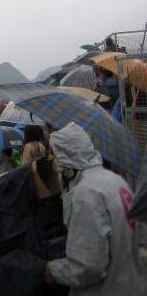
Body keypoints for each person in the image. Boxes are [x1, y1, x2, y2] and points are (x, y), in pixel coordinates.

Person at [44, 122, 145, 295]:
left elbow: (88, 267)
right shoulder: (115, 180)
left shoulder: (85, 195)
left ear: (67, 161)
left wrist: (52, 269)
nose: (53, 167)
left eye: (55, 158)